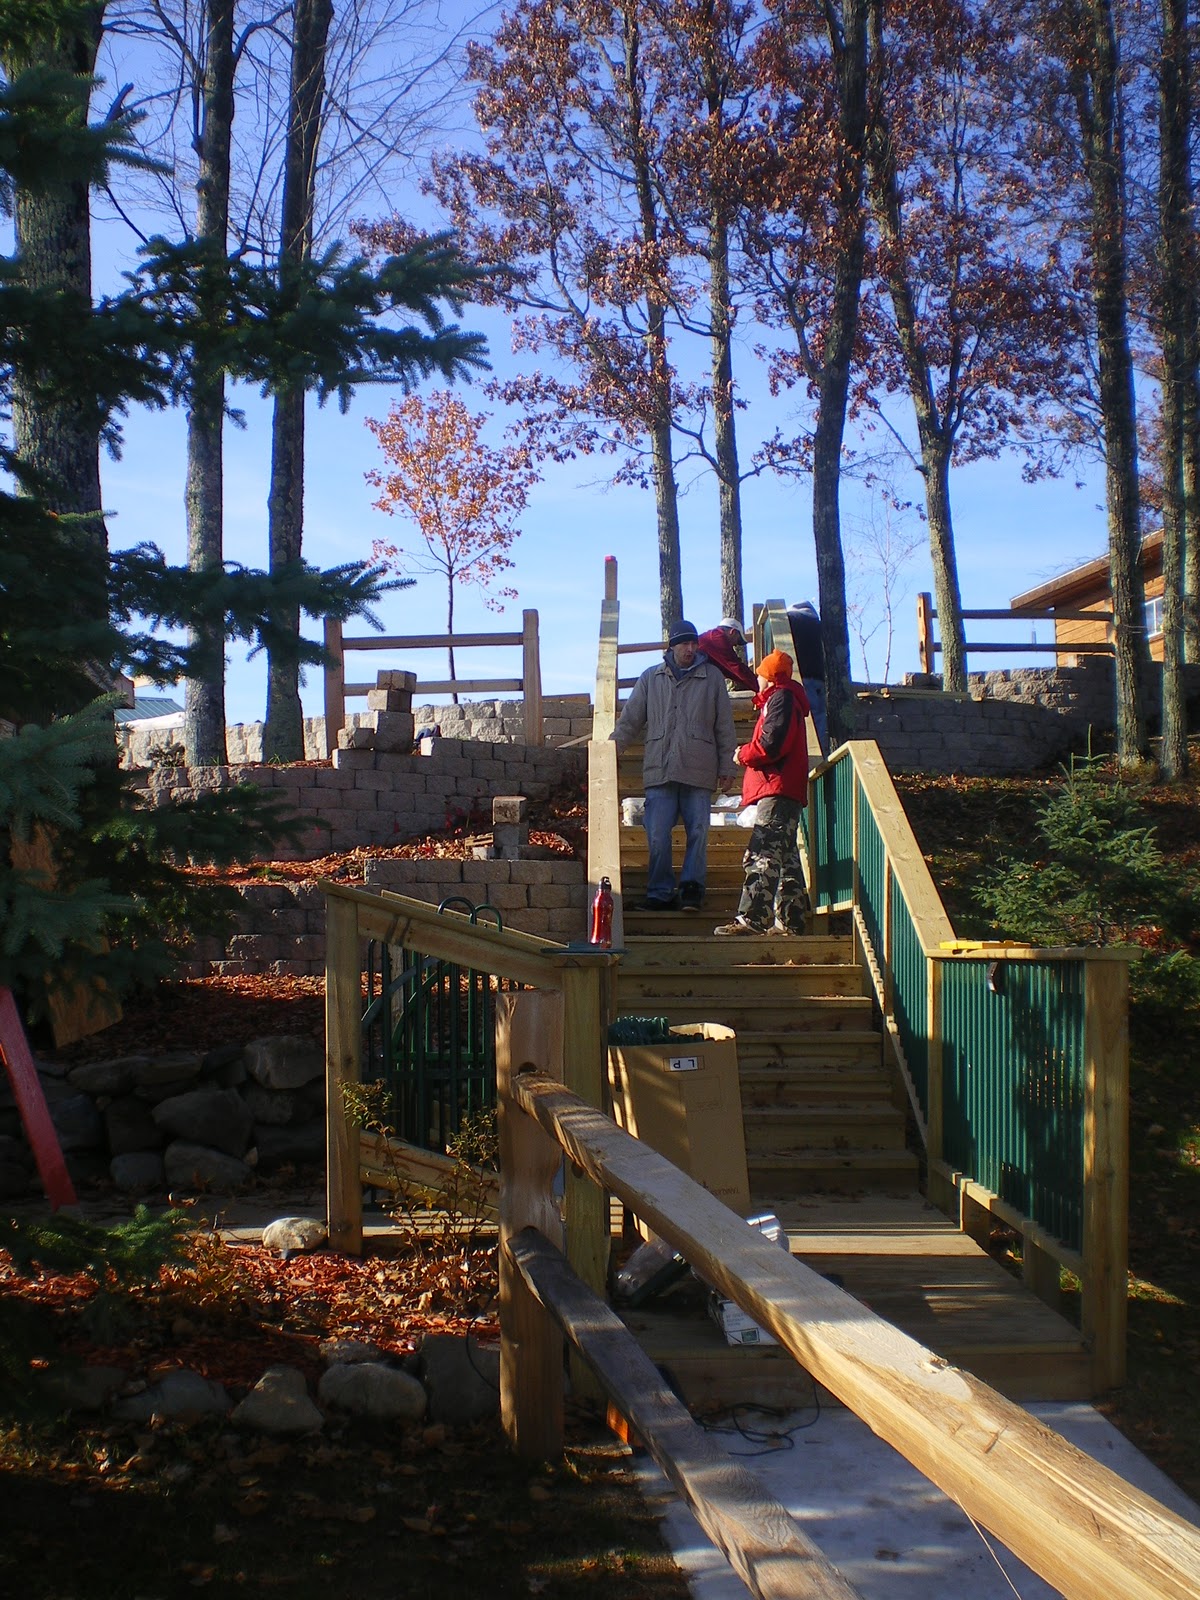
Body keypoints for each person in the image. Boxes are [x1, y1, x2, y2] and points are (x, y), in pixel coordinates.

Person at [614, 619, 737, 911]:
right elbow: (630, 720)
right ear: (672, 646)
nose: (690, 649)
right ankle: (659, 892)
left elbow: (725, 727)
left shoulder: (712, 678)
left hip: (699, 768)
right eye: (684, 644)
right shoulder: (651, 678)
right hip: (660, 768)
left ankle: (692, 890)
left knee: (698, 832)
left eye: (694, 644)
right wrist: (610, 750)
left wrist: (728, 767)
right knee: (657, 833)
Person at [715, 648, 812, 937]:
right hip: (785, 788)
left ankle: (752, 918)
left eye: (759, 674)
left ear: (768, 677)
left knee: (762, 853)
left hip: (777, 788)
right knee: (787, 857)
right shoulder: (786, 699)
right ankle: (791, 921)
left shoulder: (780, 699)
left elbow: (772, 744)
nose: (756, 679)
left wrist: (743, 754)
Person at [786, 600, 828, 755]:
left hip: (800, 676)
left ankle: (809, 756)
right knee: (819, 718)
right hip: (819, 678)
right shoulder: (818, 624)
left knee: (803, 718)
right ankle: (822, 755)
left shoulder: (790, 619)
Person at [696, 617, 758, 692]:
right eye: (738, 640)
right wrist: (759, 687)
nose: (736, 644)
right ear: (733, 632)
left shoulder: (712, 636)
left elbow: (728, 671)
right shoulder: (717, 638)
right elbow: (736, 667)